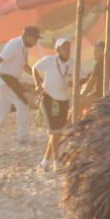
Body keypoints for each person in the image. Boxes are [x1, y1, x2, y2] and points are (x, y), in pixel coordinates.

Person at [0, 25, 40, 147]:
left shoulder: (24, 48)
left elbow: (24, 66)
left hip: (8, 81)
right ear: (28, 36)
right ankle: (22, 137)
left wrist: (37, 77)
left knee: (1, 111)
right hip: (5, 79)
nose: (35, 42)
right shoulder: (14, 44)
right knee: (23, 104)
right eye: (35, 39)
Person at [34, 38, 74, 171]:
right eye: (64, 48)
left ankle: (45, 162)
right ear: (58, 50)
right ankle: (56, 162)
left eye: (68, 47)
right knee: (55, 131)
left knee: (57, 133)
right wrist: (38, 84)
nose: (67, 50)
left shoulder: (72, 63)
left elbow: (76, 78)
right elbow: (35, 68)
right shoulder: (49, 60)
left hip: (64, 99)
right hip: (50, 97)